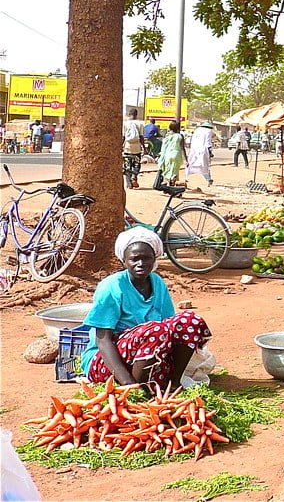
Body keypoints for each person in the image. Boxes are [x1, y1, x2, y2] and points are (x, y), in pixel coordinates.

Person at [81, 228, 211, 390]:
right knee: (155, 330)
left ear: (154, 258)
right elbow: (103, 340)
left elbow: (170, 329)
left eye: (146, 258)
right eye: (134, 259)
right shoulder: (111, 287)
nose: (141, 264)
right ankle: (140, 391)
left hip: (147, 358)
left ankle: (172, 383)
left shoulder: (157, 283)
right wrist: (129, 385)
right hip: (107, 365)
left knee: (191, 321)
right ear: (124, 261)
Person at [156, 120, 185, 187]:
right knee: (174, 172)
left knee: (168, 171)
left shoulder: (167, 136)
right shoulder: (180, 136)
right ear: (178, 128)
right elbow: (182, 148)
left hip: (167, 155)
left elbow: (163, 147)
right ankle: (172, 186)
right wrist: (186, 159)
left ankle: (168, 185)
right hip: (176, 155)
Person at [185, 122, 214, 187]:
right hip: (203, 150)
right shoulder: (208, 131)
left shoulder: (197, 130)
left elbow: (191, 141)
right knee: (205, 165)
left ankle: (186, 178)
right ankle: (208, 180)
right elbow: (208, 142)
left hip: (194, 149)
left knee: (190, 164)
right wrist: (210, 151)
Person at [122, 109, 145, 188]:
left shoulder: (125, 124)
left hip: (127, 147)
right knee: (136, 164)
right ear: (136, 114)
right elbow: (141, 137)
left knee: (127, 165)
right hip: (137, 147)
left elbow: (123, 137)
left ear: (129, 114)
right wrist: (144, 147)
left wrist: (121, 146)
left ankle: (128, 184)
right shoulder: (140, 123)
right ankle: (134, 177)